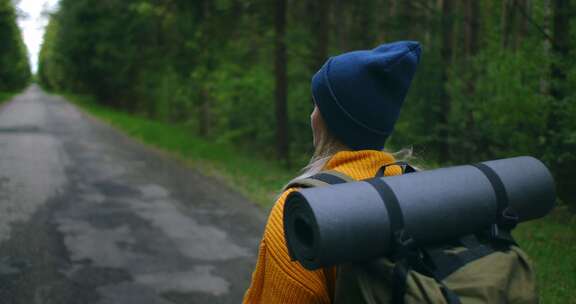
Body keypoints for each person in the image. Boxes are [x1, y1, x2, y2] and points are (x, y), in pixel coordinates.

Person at [243, 41, 422, 303]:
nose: (312, 115)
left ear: (329, 119)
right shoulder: (420, 191)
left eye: (317, 105)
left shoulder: (300, 210)